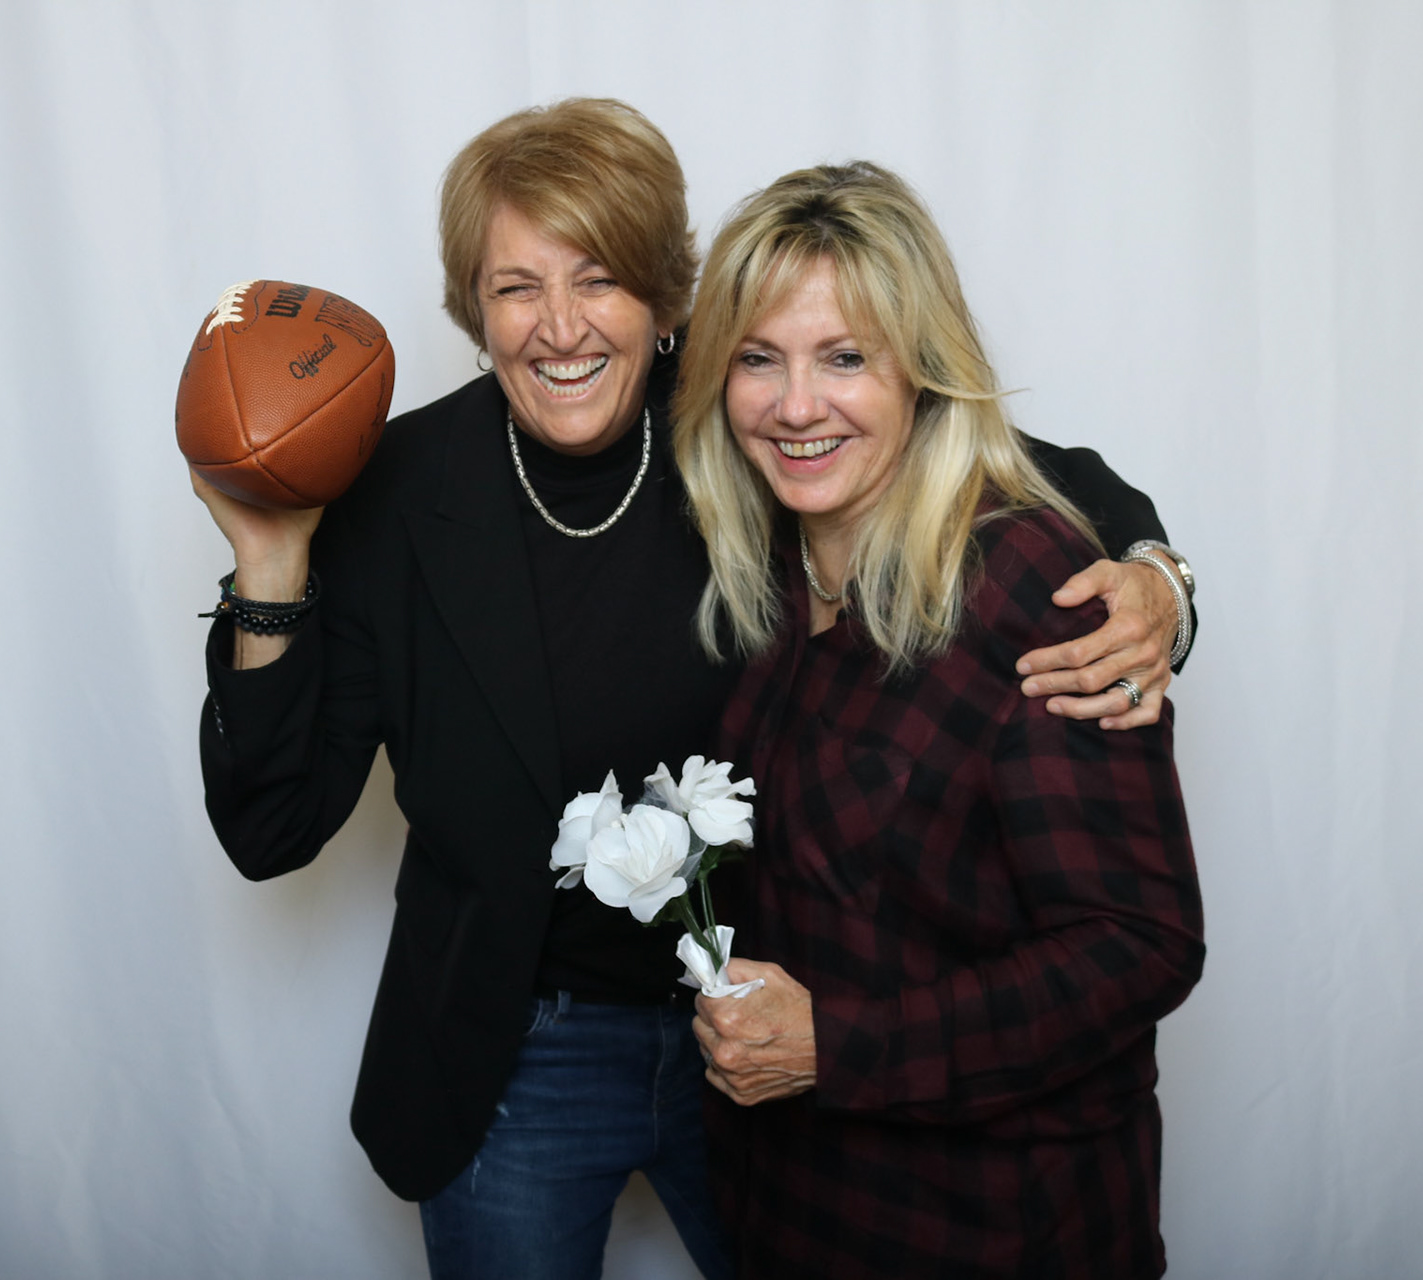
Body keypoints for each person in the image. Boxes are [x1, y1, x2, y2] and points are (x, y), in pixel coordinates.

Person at [193, 102, 1192, 1280]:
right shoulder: (399, 488)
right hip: (520, 1042)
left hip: (778, 1014)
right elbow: (270, 827)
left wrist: (1155, 574)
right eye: (517, 287)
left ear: (667, 300)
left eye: (600, 279)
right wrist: (272, 566)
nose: (561, 326)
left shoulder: (748, 414)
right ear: (473, 307)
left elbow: (990, 456)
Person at [676, 161, 1206, 1278]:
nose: (796, 405)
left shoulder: (1033, 590)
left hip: (995, 1226)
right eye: (758, 358)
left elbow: (1137, 946)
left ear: (922, 370)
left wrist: (837, 1045)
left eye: (845, 358)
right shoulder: (775, 566)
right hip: (798, 1211)